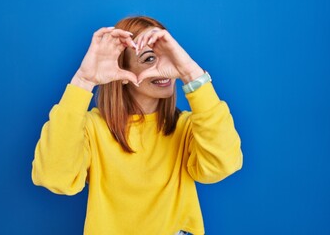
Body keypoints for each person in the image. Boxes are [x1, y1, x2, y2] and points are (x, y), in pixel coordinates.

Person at [31, 16, 243, 235]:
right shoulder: (92, 128)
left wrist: (190, 73)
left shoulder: (188, 127)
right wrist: (84, 81)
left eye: (167, 56)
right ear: (121, 72)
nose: (163, 69)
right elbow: (53, 177)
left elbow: (224, 164)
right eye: (149, 58)